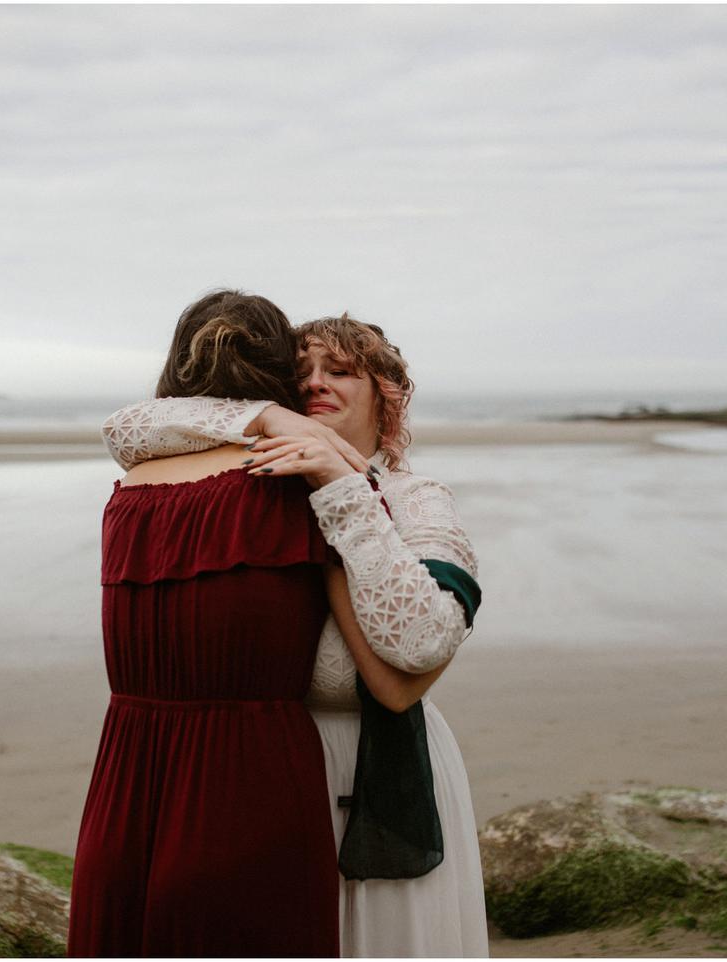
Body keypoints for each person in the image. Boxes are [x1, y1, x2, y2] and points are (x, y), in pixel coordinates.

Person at [101, 313, 489, 957]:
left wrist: (342, 486)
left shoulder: (418, 499)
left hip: (377, 772)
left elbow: (421, 642)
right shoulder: (258, 476)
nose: (316, 385)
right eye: (299, 373)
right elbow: (124, 428)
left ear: (387, 398)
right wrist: (268, 420)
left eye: (340, 372)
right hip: (261, 767)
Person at [67, 291, 343, 957]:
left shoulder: (129, 492)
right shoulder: (292, 482)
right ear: (279, 378)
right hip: (251, 792)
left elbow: (137, 427)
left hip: (124, 797)